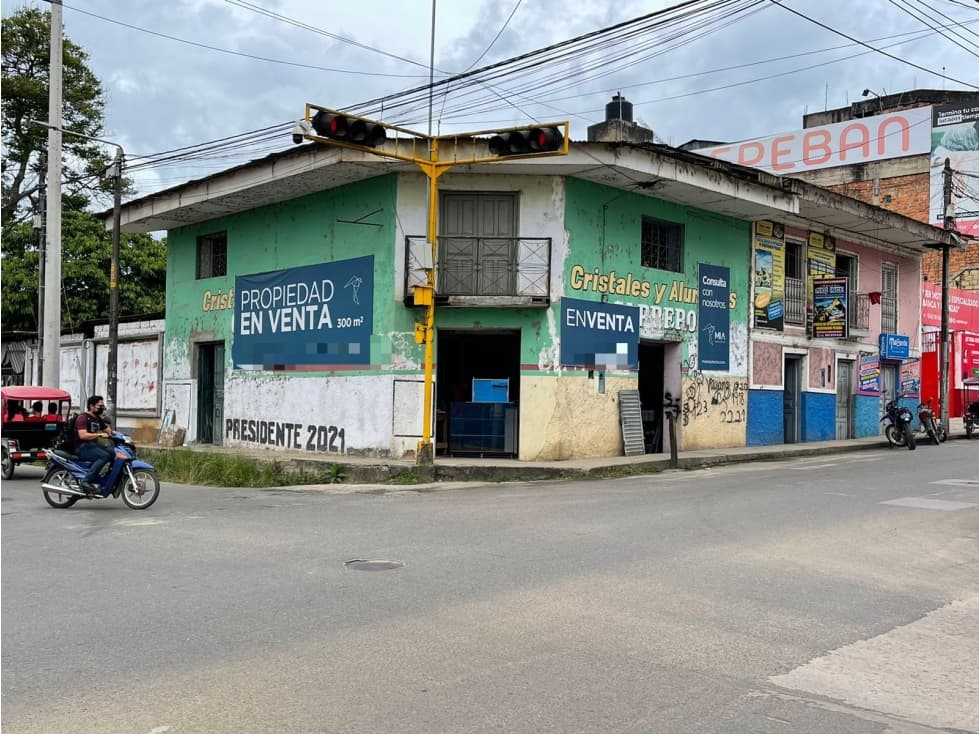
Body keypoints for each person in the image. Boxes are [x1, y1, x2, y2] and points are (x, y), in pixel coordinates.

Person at [74, 395, 115, 492]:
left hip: (92, 446)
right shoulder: (83, 418)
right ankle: (86, 481)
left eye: (102, 406)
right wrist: (99, 434)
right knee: (104, 456)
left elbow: (108, 430)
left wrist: (120, 435)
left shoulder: (97, 418)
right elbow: (82, 435)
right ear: (91, 406)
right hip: (81, 447)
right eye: (99, 406)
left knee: (113, 452)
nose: (102, 408)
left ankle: (107, 476)